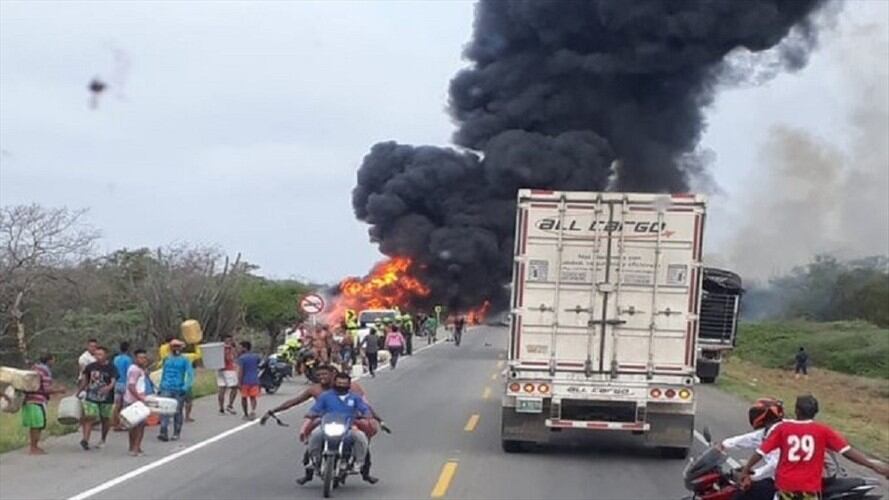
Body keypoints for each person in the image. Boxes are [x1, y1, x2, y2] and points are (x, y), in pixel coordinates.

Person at [740, 394, 889, 499]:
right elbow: (848, 452)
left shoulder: (782, 429)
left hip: (785, 487)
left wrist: (746, 472)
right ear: (815, 412)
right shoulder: (823, 431)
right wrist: (874, 466)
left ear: (797, 411)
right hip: (809, 488)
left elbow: (760, 452)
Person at [261, 365, 383, 484]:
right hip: (325, 420)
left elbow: (365, 406)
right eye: (319, 375)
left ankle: (364, 472)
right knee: (312, 438)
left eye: (324, 374)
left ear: (333, 375)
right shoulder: (317, 391)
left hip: (350, 420)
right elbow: (296, 402)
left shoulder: (352, 389)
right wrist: (273, 411)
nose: (321, 377)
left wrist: (377, 419)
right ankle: (309, 471)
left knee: (361, 440)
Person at [301, 372, 373, 483]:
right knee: (315, 435)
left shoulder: (355, 398)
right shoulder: (326, 396)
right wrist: (310, 415)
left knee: (360, 437)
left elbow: (365, 409)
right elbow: (315, 409)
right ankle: (314, 461)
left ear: (349, 384)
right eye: (339, 383)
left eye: (344, 383)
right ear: (334, 383)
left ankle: (358, 464)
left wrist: (366, 415)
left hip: (348, 428)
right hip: (327, 426)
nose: (341, 385)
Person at [716, 398, 785, 500]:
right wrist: (724, 444)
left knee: (741, 494)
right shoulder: (772, 429)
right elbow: (751, 439)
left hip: (782, 483)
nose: (753, 416)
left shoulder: (778, 432)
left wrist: (753, 476)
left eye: (756, 413)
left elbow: (775, 465)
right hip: (778, 479)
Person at [21, 353, 66, 455]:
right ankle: (33, 448)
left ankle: (34, 446)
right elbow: (46, 389)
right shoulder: (45, 371)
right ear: (49, 360)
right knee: (37, 425)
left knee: (35, 425)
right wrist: (59, 390)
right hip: (37, 400)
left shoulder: (34, 368)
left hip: (29, 400)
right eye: (53, 359)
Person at [79, 346, 117, 450]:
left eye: (100, 354)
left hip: (106, 398)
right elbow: (85, 380)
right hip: (91, 395)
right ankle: (85, 440)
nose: (98, 357)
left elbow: (113, 381)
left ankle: (103, 438)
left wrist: (108, 388)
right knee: (89, 416)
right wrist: (79, 391)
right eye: (96, 354)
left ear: (106, 355)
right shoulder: (90, 367)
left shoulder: (111, 367)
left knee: (105, 419)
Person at [157, 339, 194, 442]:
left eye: (178, 346)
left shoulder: (185, 360)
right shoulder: (166, 359)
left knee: (177, 411)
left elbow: (190, 375)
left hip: (179, 388)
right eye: (174, 346)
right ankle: (163, 431)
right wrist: (160, 386)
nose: (176, 348)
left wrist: (186, 387)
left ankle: (176, 432)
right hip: (166, 387)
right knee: (165, 410)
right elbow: (163, 373)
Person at [123, 349, 150, 456]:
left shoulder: (138, 369)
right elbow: (131, 386)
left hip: (131, 399)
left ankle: (132, 446)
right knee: (140, 426)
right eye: (140, 358)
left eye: (144, 358)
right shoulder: (135, 370)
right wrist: (140, 398)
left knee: (133, 425)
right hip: (135, 401)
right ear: (135, 358)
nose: (143, 360)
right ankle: (136, 447)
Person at [237, 341, 262, 420]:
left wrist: (239, 382)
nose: (239, 349)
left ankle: (245, 414)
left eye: (240, 347)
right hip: (254, 380)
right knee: (253, 397)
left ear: (244, 348)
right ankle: (253, 410)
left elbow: (241, 371)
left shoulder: (241, 358)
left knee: (244, 397)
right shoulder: (256, 356)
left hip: (245, 381)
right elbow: (259, 364)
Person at [111, 341, 133, 431]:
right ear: (128, 349)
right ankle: (123, 424)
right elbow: (129, 372)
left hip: (116, 383)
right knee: (125, 405)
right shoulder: (128, 359)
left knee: (117, 405)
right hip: (125, 384)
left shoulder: (116, 359)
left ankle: (115, 422)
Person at [216, 334, 239, 415]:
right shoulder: (228, 348)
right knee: (235, 387)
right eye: (228, 340)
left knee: (222, 388)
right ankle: (230, 405)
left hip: (220, 370)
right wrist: (231, 350)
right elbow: (230, 358)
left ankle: (221, 408)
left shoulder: (217, 349)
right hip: (229, 370)